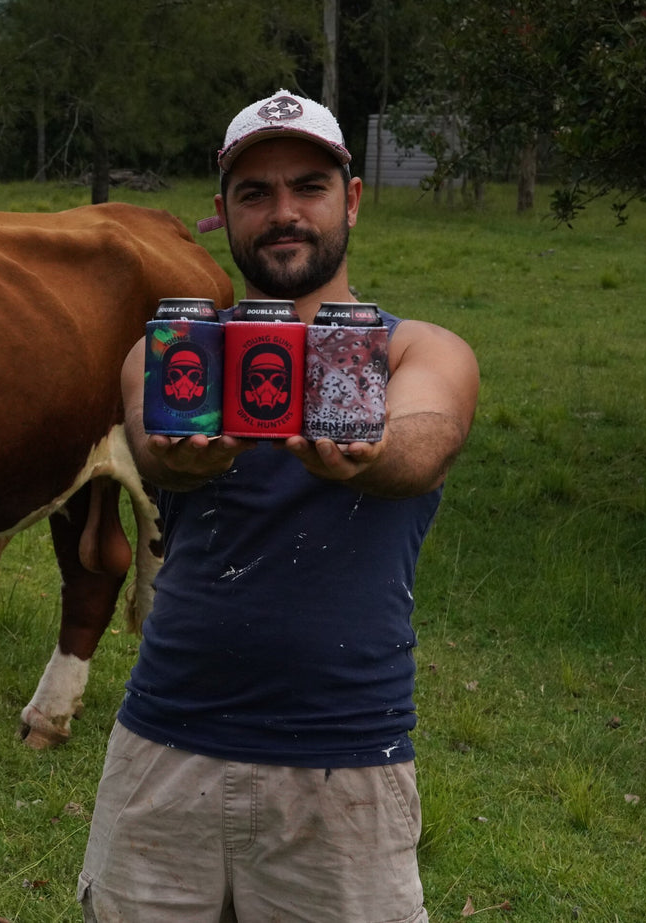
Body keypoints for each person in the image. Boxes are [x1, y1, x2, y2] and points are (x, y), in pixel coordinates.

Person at [78, 90, 480, 922]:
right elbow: (156, 453)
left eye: (308, 187)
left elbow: (425, 441)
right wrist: (179, 459)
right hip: (163, 750)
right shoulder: (171, 355)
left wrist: (364, 456)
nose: (283, 213)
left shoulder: (416, 347)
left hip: (344, 767)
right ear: (221, 214)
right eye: (255, 194)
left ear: (353, 199)